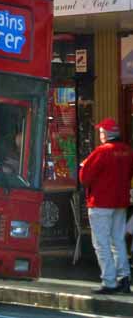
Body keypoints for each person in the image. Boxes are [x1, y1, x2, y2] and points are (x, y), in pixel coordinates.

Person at [79, 118, 133, 294]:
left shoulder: (101, 151)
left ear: (106, 134)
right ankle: (124, 278)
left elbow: (84, 178)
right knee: (117, 240)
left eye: (101, 132)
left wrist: (83, 165)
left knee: (101, 242)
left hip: (101, 202)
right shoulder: (127, 151)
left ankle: (109, 281)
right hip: (120, 201)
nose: (100, 135)